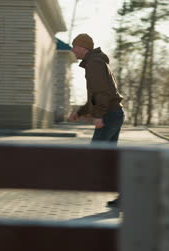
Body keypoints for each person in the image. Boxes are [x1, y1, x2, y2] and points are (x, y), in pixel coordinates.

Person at [68, 33, 124, 207]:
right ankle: (126, 193)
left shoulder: (94, 63)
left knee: (96, 155)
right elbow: (95, 95)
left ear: (84, 47)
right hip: (114, 113)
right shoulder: (95, 62)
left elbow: (102, 94)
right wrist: (81, 111)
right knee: (107, 158)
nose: (72, 50)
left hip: (109, 114)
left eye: (75, 46)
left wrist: (99, 116)